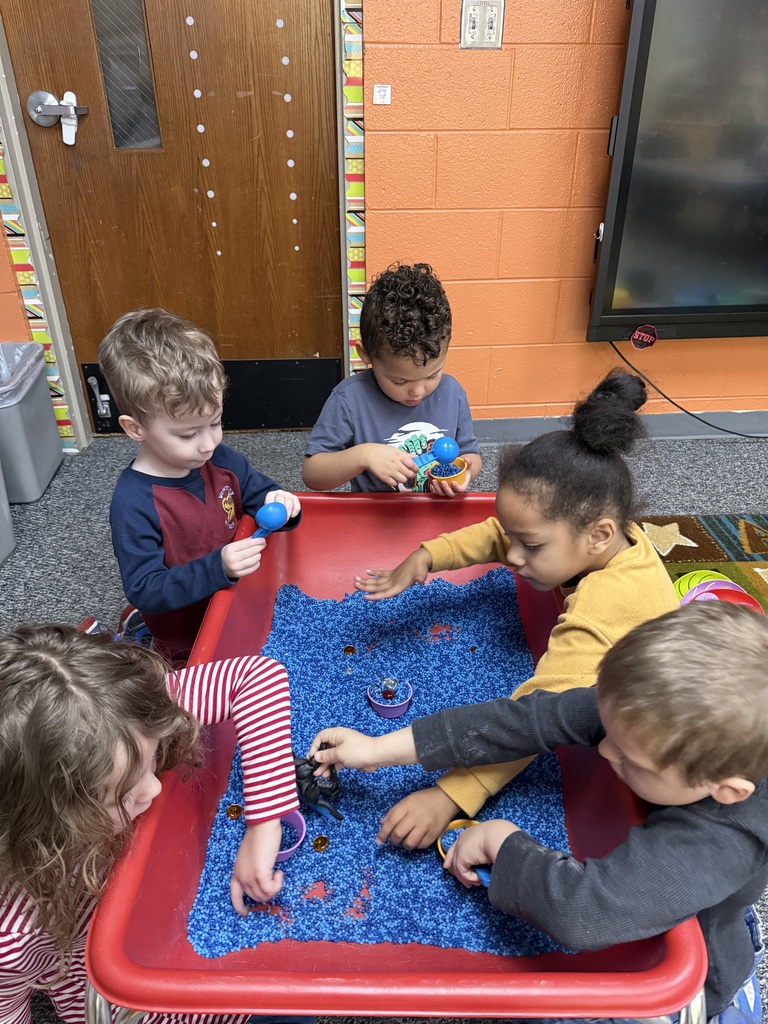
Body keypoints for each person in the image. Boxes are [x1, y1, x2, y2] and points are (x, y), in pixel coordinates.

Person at [309, 601, 768, 1024]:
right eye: (607, 730)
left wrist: (503, 843)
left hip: (692, 976)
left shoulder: (720, 841)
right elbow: (526, 720)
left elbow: (581, 911)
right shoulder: (646, 712)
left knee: (560, 1010)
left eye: (631, 759)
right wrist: (376, 750)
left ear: (726, 789)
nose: (604, 750)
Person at [353, 369, 678, 849]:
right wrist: (427, 556)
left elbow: (535, 718)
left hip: (663, 737)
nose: (513, 556)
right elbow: (496, 534)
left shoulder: (601, 610)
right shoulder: (599, 537)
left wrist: (451, 794)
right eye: (514, 539)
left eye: (531, 545)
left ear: (599, 535)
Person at [0, 623, 313, 1024]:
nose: (154, 788)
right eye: (122, 795)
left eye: (152, 761)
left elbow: (257, 676)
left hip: (219, 960)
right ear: (48, 823)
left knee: (291, 1001)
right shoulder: (15, 932)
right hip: (143, 1003)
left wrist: (265, 823)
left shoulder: (112, 712)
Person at [98, 308, 301, 666]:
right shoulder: (133, 503)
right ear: (135, 429)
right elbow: (145, 588)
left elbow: (260, 495)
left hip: (236, 604)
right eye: (188, 434)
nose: (208, 444)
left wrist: (283, 504)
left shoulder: (221, 460)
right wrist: (217, 567)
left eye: (215, 423)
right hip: (182, 635)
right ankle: (139, 630)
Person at [302, 263, 482, 495]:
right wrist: (363, 455)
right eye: (399, 381)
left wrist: (466, 472)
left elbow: (470, 454)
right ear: (366, 355)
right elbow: (312, 474)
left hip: (439, 511)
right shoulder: (349, 400)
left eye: (432, 375)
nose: (417, 391)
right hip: (376, 514)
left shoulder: (452, 393)